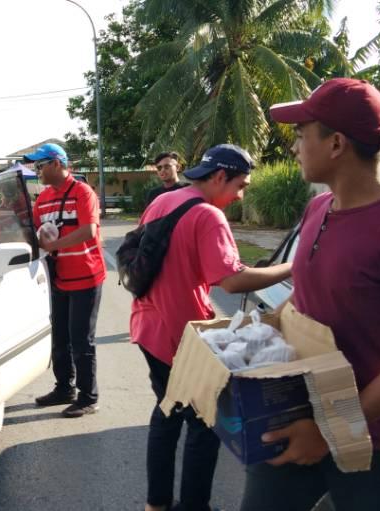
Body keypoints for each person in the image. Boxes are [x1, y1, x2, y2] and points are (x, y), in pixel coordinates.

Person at [239, 78, 380, 511]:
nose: (295, 147)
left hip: (374, 446)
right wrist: (254, 335)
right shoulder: (317, 208)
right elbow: (308, 296)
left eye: (302, 135)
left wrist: (330, 428)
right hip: (297, 421)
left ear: (336, 144)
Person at [132, 144, 294, 511]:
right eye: (241, 185)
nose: (240, 196)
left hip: (148, 325)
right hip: (181, 337)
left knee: (167, 411)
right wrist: (292, 268)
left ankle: (156, 504)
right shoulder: (207, 215)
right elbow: (232, 280)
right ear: (220, 176)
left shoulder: (165, 201)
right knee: (205, 422)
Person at [27, 143, 106, 418]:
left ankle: (88, 397)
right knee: (60, 338)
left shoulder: (82, 192)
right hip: (58, 277)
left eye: (40, 165)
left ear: (57, 163)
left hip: (86, 276)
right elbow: (34, 231)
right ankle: (64, 388)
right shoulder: (43, 198)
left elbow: (89, 230)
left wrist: (54, 244)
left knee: (82, 340)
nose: (37, 170)